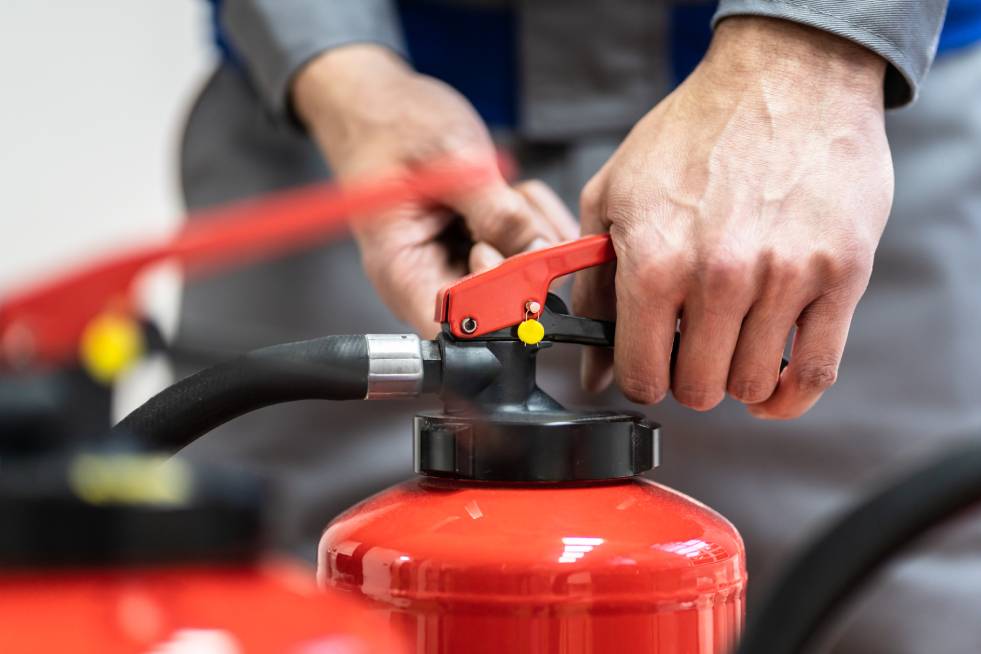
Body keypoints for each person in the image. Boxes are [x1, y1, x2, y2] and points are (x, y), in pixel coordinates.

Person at [179, 1, 981, 651]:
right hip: (344, 143)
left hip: (834, 146)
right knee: (263, 616)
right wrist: (341, 73)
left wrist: (814, 50)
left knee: (880, 610)